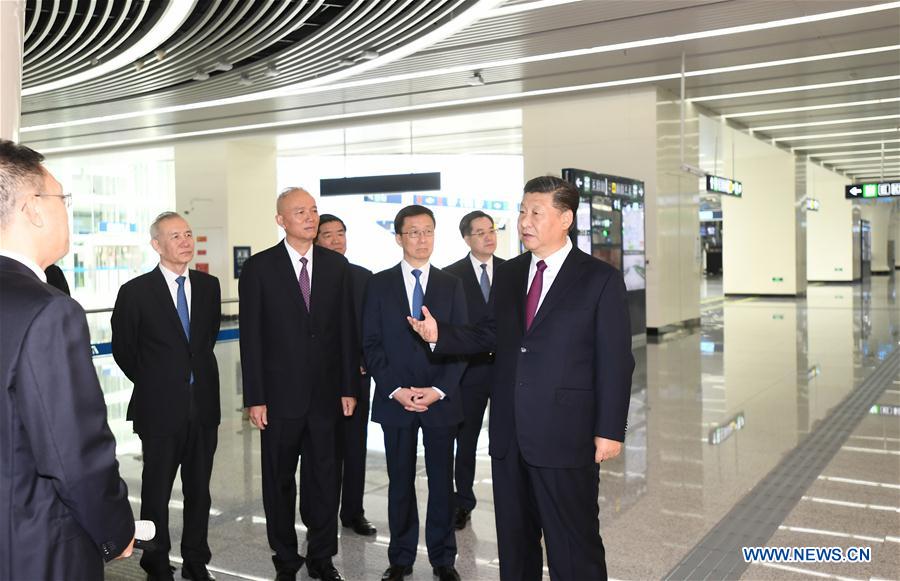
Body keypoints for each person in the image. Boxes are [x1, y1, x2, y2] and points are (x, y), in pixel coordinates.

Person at [409, 177, 634, 581]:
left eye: (536, 212)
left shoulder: (599, 278)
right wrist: (440, 333)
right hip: (511, 434)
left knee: (573, 544)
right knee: (515, 545)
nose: (523, 221)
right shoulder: (511, 274)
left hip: (567, 435)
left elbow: (616, 360)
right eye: (521, 211)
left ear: (565, 218)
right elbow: (490, 333)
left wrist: (609, 429)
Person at [0, 139, 135, 579]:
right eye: (63, 198)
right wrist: (115, 530)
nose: (67, 211)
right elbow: (73, 453)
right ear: (34, 209)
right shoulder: (48, 310)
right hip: (36, 547)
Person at [239, 188, 357, 581]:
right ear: (281, 220)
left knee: (325, 481)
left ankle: (323, 558)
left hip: (327, 398)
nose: (310, 217)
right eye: (299, 212)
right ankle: (286, 559)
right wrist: (254, 397)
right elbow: (251, 338)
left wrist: (348, 387)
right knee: (278, 481)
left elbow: (346, 332)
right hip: (278, 397)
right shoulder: (259, 268)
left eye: (313, 210)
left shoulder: (336, 267)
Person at [111, 211, 222, 581]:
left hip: (203, 407)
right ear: (157, 245)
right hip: (159, 410)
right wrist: (158, 383)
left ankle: (195, 560)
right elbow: (124, 350)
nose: (185, 241)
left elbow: (203, 344)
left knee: (199, 492)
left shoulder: (209, 287)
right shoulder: (136, 292)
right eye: (175, 236)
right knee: (156, 492)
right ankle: (155, 561)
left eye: (189, 234)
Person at [362, 205, 468, 581]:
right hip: (397, 400)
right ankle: (402, 557)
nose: (422, 239)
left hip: (439, 399)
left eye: (428, 232)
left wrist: (439, 389)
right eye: (413, 232)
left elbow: (461, 343)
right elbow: (371, 343)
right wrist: (394, 389)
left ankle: (443, 559)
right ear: (398, 238)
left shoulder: (452, 284)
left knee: (442, 482)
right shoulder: (378, 283)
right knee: (400, 482)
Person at [442, 211, 505, 531]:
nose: (488, 236)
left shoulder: (514, 271)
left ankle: (512, 499)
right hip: (470, 372)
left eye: (491, 230)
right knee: (465, 441)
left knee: (508, 438)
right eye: (479, 232)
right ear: (466, 238)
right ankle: (462, 501)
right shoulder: (451, 276)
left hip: (507, 371)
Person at [315, 214, 377, 536]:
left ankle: (353, 511)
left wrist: (367, 360)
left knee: (355, 446)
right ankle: (321, 515)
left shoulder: (362, 277)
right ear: (315, 240)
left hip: (355, 375)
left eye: (341, 233)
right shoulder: (307, 279)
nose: (337, 240)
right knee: (323, 450)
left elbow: (372, 327)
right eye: (328, 235)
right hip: (319, 380)